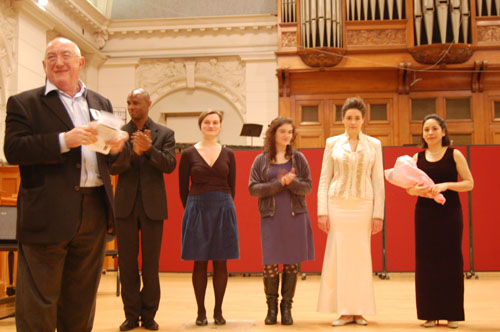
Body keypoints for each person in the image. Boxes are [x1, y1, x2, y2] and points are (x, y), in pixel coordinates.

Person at [3, 37, 128, 332]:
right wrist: (63, 140)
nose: (58, 62)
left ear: (80, 63)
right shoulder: (24, 103)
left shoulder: (101, 103)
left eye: (65, 55)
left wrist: (118, 149)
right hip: (47, 212)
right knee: (39, 303)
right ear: (44, 65)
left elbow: (110, 163)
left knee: (81, 300)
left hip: (94, 211)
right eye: (51, 57)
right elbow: (14, 149)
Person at [111, 88, 177, 331]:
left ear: (148, 103)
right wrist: (132, 153)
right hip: (125, 207)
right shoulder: (119, 134)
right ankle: (130, 315)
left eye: (136, 103)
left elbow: (170, 165)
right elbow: (112, 168)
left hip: (153, 207)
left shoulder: (165, 133)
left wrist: (149, 150)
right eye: (129, 103)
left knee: (150, 265)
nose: (131, 107)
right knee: (127, 265)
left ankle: (149, 315)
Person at [316, 96, 385, 326]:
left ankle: (360, 310)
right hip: (337, 205)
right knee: (339, 256)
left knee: (361, 257)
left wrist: (378, 214)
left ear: (363, 119)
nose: (353, 121)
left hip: (363, 205)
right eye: (348, 117)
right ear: (342, 119)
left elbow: (378, 182)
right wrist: (322, 211)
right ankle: (344, 311)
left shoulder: (374, 145)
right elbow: (324, 179)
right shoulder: (332, 143)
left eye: (357, 117)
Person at [406, 114, 473, 329]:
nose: (430, 133)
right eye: (426, 130)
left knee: (451, 261)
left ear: (443, 132)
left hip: (450, 214)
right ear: (423, 134)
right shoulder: (417, 158)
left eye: (434, 129)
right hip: (425, 214)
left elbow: (469, 183)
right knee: (426, 262)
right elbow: (408, 189)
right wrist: (419, 190)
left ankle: (452, 313)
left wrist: (445, 185)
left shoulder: (455, 154)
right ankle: (429, 313)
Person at [248, 117, 315, 325]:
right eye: (282, 131)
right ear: (273, 134)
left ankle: (286, 308)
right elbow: (253, 189)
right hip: (271, 217)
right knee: (270, 262)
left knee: (291, 263)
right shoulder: (261, 160)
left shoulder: (299, 158)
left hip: (295, 216)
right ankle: (271, 309)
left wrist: (291, 182)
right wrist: (279, 183)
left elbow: (308, 187)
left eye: (290, 132)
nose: (287, 135)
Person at [178, 110, 239, 326]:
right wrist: (194, 209)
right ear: (200, 125)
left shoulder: (229, 154)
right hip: (197, 209)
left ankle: (218, 311)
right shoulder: (188, 154)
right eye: (207, 122)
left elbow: (232, 187)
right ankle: (201, 312)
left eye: (215, 122)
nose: (211, 125)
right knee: (199, 262)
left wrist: (223, 205)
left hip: (223, 208)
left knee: (221, 262)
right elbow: (182, 189)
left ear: (220, 126)